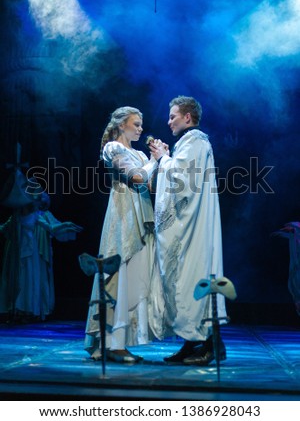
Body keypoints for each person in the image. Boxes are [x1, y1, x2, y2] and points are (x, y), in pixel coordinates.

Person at [149, 95, 227, 365]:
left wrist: (162, 159)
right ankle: (193, 342)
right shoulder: (189, 143)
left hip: (192, 226)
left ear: (187, 117)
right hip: (190, 223)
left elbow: (183, 181)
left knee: (191, 278)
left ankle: (208, 343)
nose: (168, 121)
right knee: (184, 280)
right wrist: (168, 158)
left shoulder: (195, 141)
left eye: (172, 116)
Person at [84, 106, 162, 363]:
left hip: (141, 213)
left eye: (141, 124)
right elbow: (137, 178)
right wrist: (154, 162)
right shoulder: (113, 149)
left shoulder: (138, 152)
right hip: (123, 214)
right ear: (121, 125)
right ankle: (111, 343)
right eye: (136, 124)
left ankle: (117, 341)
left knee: (134, 274)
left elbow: (148, 183)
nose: (140, 128)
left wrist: (161, 162)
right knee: (119, 272)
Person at [0, 192, 82, 323]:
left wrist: (65, 224)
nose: (39, 204)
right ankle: (16, 310)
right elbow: (4, 228)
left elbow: (51, 228)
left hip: (30, 251)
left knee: (28, 280)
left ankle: (27, 311)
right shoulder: (16, 216)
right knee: (18, 279)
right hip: (18, 249)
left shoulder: (36, 216)